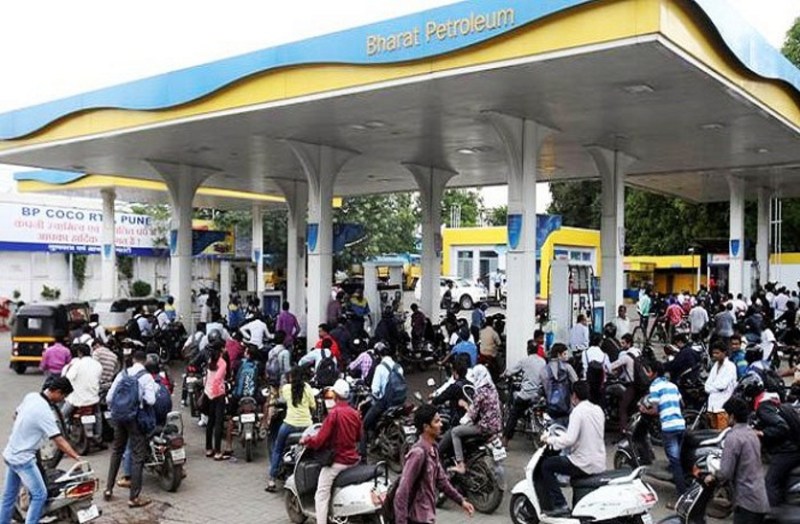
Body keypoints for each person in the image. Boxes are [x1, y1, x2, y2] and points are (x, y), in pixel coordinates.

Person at [0, 377, 82, 524]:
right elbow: (59, 440)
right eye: (63, 396)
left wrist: (27, 433)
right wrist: (77, 457)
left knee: (9, 496)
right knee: (40, 494)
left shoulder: (31, 396)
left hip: (11, 453)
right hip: (24, 458)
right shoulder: (45, 411)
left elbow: (15, 415)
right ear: (57, 392)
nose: (63, 400)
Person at [393, 404, 475, 524]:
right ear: (426, 427)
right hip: (416, 519)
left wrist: (461, 501)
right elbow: (402, 492)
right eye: (436, 421)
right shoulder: (418, 453)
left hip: (427, 516)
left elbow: (442, 481)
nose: (441, 424)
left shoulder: (433, 450)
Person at [301, 379, 362, 524]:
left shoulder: (334, 414)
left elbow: (319, 440)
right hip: (353, 460)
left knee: (321, 493)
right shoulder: (355, 413)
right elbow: (359, 437)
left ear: (335, 395)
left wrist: (306, 440)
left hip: (338, 462)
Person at [541, 380, 606, 517]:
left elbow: (569, 439)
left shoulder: (577, 412)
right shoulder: (598, 410)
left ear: (574, 396)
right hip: (599, 461)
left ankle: (560, 504)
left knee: (547, 465)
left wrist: (550, 440)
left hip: (583, 462)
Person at [704, 396, 770, 524]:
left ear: (732, 416)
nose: (724, 417)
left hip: (746, 501)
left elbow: (725, 472)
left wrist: (712, 476)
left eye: (725, 414)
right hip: (760, 497)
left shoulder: (733, 437)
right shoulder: (752, 434)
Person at [104, 350, 157, 508]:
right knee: (137, 456)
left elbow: (109, 398)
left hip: (119, 417)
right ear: (145, 361)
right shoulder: (146, 377)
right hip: (135, 419)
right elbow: (151, 400)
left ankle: (108, 489)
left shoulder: (122, 374)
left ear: (133, 360)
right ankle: (134, 497)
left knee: (116, 451)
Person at [741, 372, 800, 509]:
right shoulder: (771, 400)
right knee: (781, 479)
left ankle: (772, 513)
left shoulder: (764, 407)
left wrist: (762, 433)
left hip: (788, 450)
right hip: (793, 446)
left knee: (770, 482)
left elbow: (781, 427)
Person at [441, 364, 501, 475]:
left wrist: (464, 407)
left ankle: (460, 464)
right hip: (496, 426)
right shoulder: (493, 389)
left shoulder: (480, 392)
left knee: (455, 432)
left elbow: (472, 415)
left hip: (485, 427)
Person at [641, 360, 687, 501]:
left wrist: (643, 410)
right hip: (681, 425)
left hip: (669, 427)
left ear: (654, 373)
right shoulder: (672, 385)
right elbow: (682, 404)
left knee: (675, 461)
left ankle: (683, 497)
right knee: (679, 459)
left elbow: (655, 410)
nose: (646, 373)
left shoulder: (654, 387)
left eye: (648, 370)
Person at [265, 366, 315, 492]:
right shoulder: (308, 388)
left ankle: (272, 480)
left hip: (289, 425)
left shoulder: (286, 388)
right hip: (306, 426)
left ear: (291, 377)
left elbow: (282, 401)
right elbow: (313, 405)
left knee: (278, 449)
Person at [360, 344, 405, 457]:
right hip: (399, 402)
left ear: (378, 355)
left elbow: (375, 390)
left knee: (364, 425)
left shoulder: (380, 368)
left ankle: (363, 455)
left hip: (385, 404)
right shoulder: (398, 367)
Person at [503, 339, 546, 445]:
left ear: (528, 350)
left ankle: (505, 440)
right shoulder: (543, 361)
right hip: (538, 394)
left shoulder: (524, 361)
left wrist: (505, 374)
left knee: (514, 414)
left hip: (526, 395)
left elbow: (510, 372)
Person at [61, 342, 104, 438]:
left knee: (62, 415)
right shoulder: (98, 365)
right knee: (98, 414)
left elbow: (68, 378)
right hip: (93, 398)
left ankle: (64, 434)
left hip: (76, 399)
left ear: (79, 353)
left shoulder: (77, 364)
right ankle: (98, 435)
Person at [540, 343, 578, 420]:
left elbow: (543, 386)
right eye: (565, 354)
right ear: (558, 355)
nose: (567, 356)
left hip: (551, 406)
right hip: (566, 406)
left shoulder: (544, 369)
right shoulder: (567, 367)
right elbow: (576, 382)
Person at [704, 341, 737, 429]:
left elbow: (722, 386)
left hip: (723, 406)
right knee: (713, 432)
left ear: (724, 353)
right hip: (712, 406)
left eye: (717, 353)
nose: (715, 355)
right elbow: (707, 385)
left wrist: (711, 387)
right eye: (713, 353)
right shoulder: (715, 366)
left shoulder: (730, 366)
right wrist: (713, 387)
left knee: (723, 432)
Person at [204, 342, 228, 460]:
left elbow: (208, 377)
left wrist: (209, 392)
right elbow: (218, 378)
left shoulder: (210, 361)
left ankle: (209, 449)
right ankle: (218, 451)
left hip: (208, 393)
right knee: (218, 423)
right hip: (218, 394)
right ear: (221, 349)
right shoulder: (222, 363)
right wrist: (216, 391)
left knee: (210, 422)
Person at [430, 358, 472, 423]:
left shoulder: (455, 387)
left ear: (455, 372)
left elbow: (441, 397)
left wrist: (432, 402)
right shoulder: (470, 384)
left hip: (458, 419)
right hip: (469, 416)